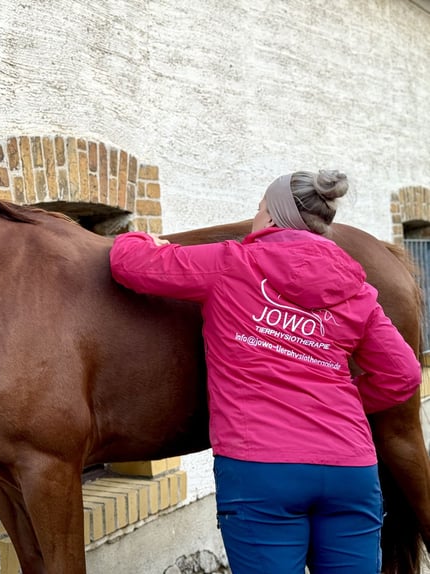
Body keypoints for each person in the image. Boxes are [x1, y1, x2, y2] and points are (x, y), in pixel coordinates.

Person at [109, 170, 421, 574]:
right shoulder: (355, 288)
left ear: (273, 217)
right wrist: (347, 405)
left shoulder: (229, 264)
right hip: (350, 469)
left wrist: (139, 238)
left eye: (258, 209)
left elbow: (128, 263)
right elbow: (404, 374)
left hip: (261, 470)